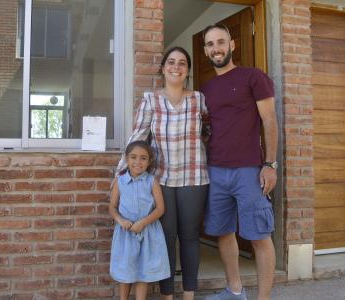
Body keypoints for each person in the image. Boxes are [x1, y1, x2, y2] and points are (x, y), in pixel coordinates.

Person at [116, 46, 209, 300]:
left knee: (190, 236)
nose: (176, 67)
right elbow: (137, 136)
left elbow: (212, 131)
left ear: (187, 70)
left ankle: (189, 294)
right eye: (171, 62)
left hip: (194, 177)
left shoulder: (199, 99)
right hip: (161, 179)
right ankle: (168, 295)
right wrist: (121, 174)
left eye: (182, 63)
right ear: (163, 68)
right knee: (165, 238)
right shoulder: (150, 100)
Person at [201, 24, 278, 300]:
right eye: (210, 44)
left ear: (232, 44)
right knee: (223, 232)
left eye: (221, 42)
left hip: (249, 170)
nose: (216, 48)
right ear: (206, 50)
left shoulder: (253, 77)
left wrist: (270, 164)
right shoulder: (206, 88)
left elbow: (269, 120)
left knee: (259, 236)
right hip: (216, 170)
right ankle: (235, 291)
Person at [109, 140, 170, 300]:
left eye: (143, 158)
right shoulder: (119, 182)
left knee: (143, 271)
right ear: (126, 159)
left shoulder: (152, 182)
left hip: (147, 232)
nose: (138, 162)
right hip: (126, 233)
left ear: (149, 161)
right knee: (126, 270)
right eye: (133, 157)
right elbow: (112, 207)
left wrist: (143, 222)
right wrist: (121, 221)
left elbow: (160, 209)